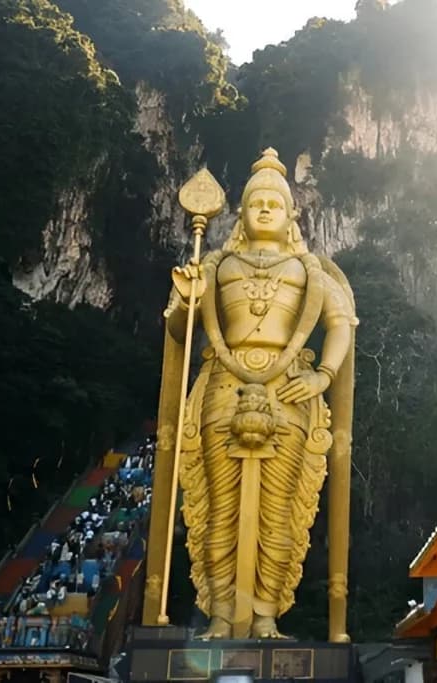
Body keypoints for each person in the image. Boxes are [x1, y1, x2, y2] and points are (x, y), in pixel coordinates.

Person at [160, 149, 356, 640]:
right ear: (242, 214)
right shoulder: (217, 265)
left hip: (289, 388)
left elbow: (340, 324)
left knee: (280, 508)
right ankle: (222, 615)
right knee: (219, 507)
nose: (266, 208)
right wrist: (186, 299)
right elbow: (183, 334)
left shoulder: (309, 270)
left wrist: (324, 376)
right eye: (256, 202)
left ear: (292, 214)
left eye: (275, 202)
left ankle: (266, 614)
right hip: (223, 386)